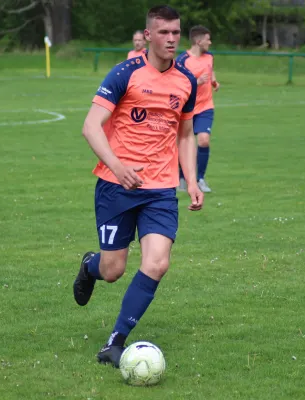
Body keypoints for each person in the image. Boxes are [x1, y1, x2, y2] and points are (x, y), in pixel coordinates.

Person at [74, 4, 204, 368]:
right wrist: (117, 166)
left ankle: (116, 341)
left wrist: (191, 181)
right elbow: (90, 126)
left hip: (161, 189)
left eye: (176, 32)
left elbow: (185, 135)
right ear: (148, 35)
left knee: (158, 263)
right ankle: (90, 266)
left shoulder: (186, 80)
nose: (171, 39)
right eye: (163, 32)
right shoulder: (124, 74)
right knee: (113, 270)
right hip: (116, 186)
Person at [176, 25, 219, 193]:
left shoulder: (209, 57)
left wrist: (214, 81)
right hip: (187, 108)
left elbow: (210, 70)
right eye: (208, 39)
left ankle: (200, 178)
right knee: (184, 142)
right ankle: (181, 177)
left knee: (203, 140)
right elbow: (177, 84)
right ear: (198, 41)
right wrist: (197, 82)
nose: (210, 42)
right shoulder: (182, 60)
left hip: (206, 107)